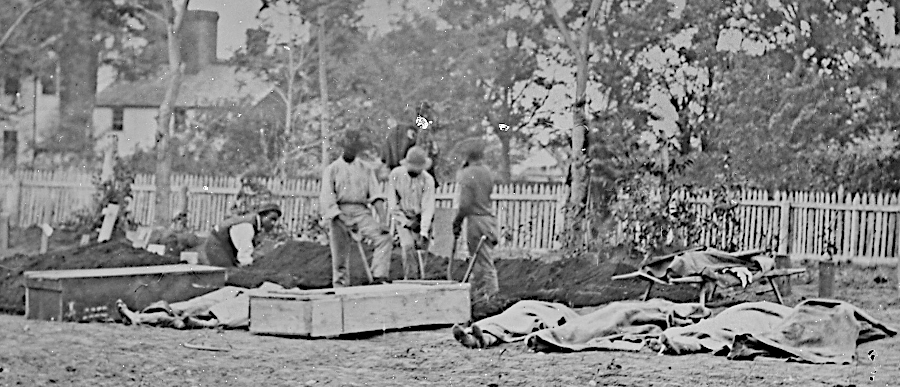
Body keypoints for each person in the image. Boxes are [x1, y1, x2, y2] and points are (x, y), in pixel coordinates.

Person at [320, 130, 393, 287]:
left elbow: (376, 196)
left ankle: (378, 277)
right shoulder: (332, 169)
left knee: (384, 238)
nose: (351, 150)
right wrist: (343, 219)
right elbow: (328, 200)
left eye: (354, 147)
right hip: (339, 214)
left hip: (361, 212)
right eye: (348, 146)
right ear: (343, 147)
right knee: (340, 260)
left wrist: (383, 221)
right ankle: (340, 290)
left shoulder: (366, 169)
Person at [451, 142, 500, 300]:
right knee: (479, 261)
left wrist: (457, 221)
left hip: (476, 221)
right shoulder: (487, 172)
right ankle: (476, 296)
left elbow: (465, 204)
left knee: (483, 262)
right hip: (489, 220)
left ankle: (492, 297)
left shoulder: (466, 174)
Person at [387, 146, 436, 279]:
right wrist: (407, 222)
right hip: (403, 217)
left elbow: (428, 206)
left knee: (421, 252)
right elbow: (393, 204)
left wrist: (423, 231)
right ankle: (410, 280)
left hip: (421, 218)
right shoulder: (396, 175)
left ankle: (422, 281)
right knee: (408, 247)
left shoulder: (428, 180)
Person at [197, 203, 281, 268]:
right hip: (216, 245)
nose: (273, 223)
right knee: (227, 273)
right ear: (262, 216)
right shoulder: (247, 226)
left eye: (275, 220)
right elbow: (244, 254)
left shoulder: (256, 226)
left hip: (226, 246)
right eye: (271, 219)